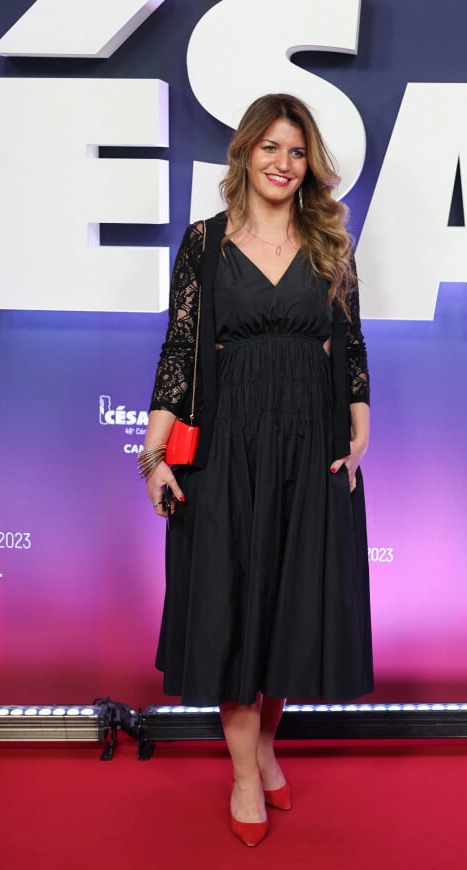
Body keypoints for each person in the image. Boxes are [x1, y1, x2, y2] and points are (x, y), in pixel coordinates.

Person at [139, 94, 373, 847]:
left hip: (310, 447)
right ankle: (244, 772)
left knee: (289, 611)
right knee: (231, 609)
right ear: (244, 153)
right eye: (270, 146)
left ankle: (266, 745)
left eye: (297, 151)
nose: (283, 162)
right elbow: (178, 353)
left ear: (310, 165)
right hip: (226, 448)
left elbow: (353, 349)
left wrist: (358, 439)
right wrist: (154, 454)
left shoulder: (331, 244)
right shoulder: (204, 243)